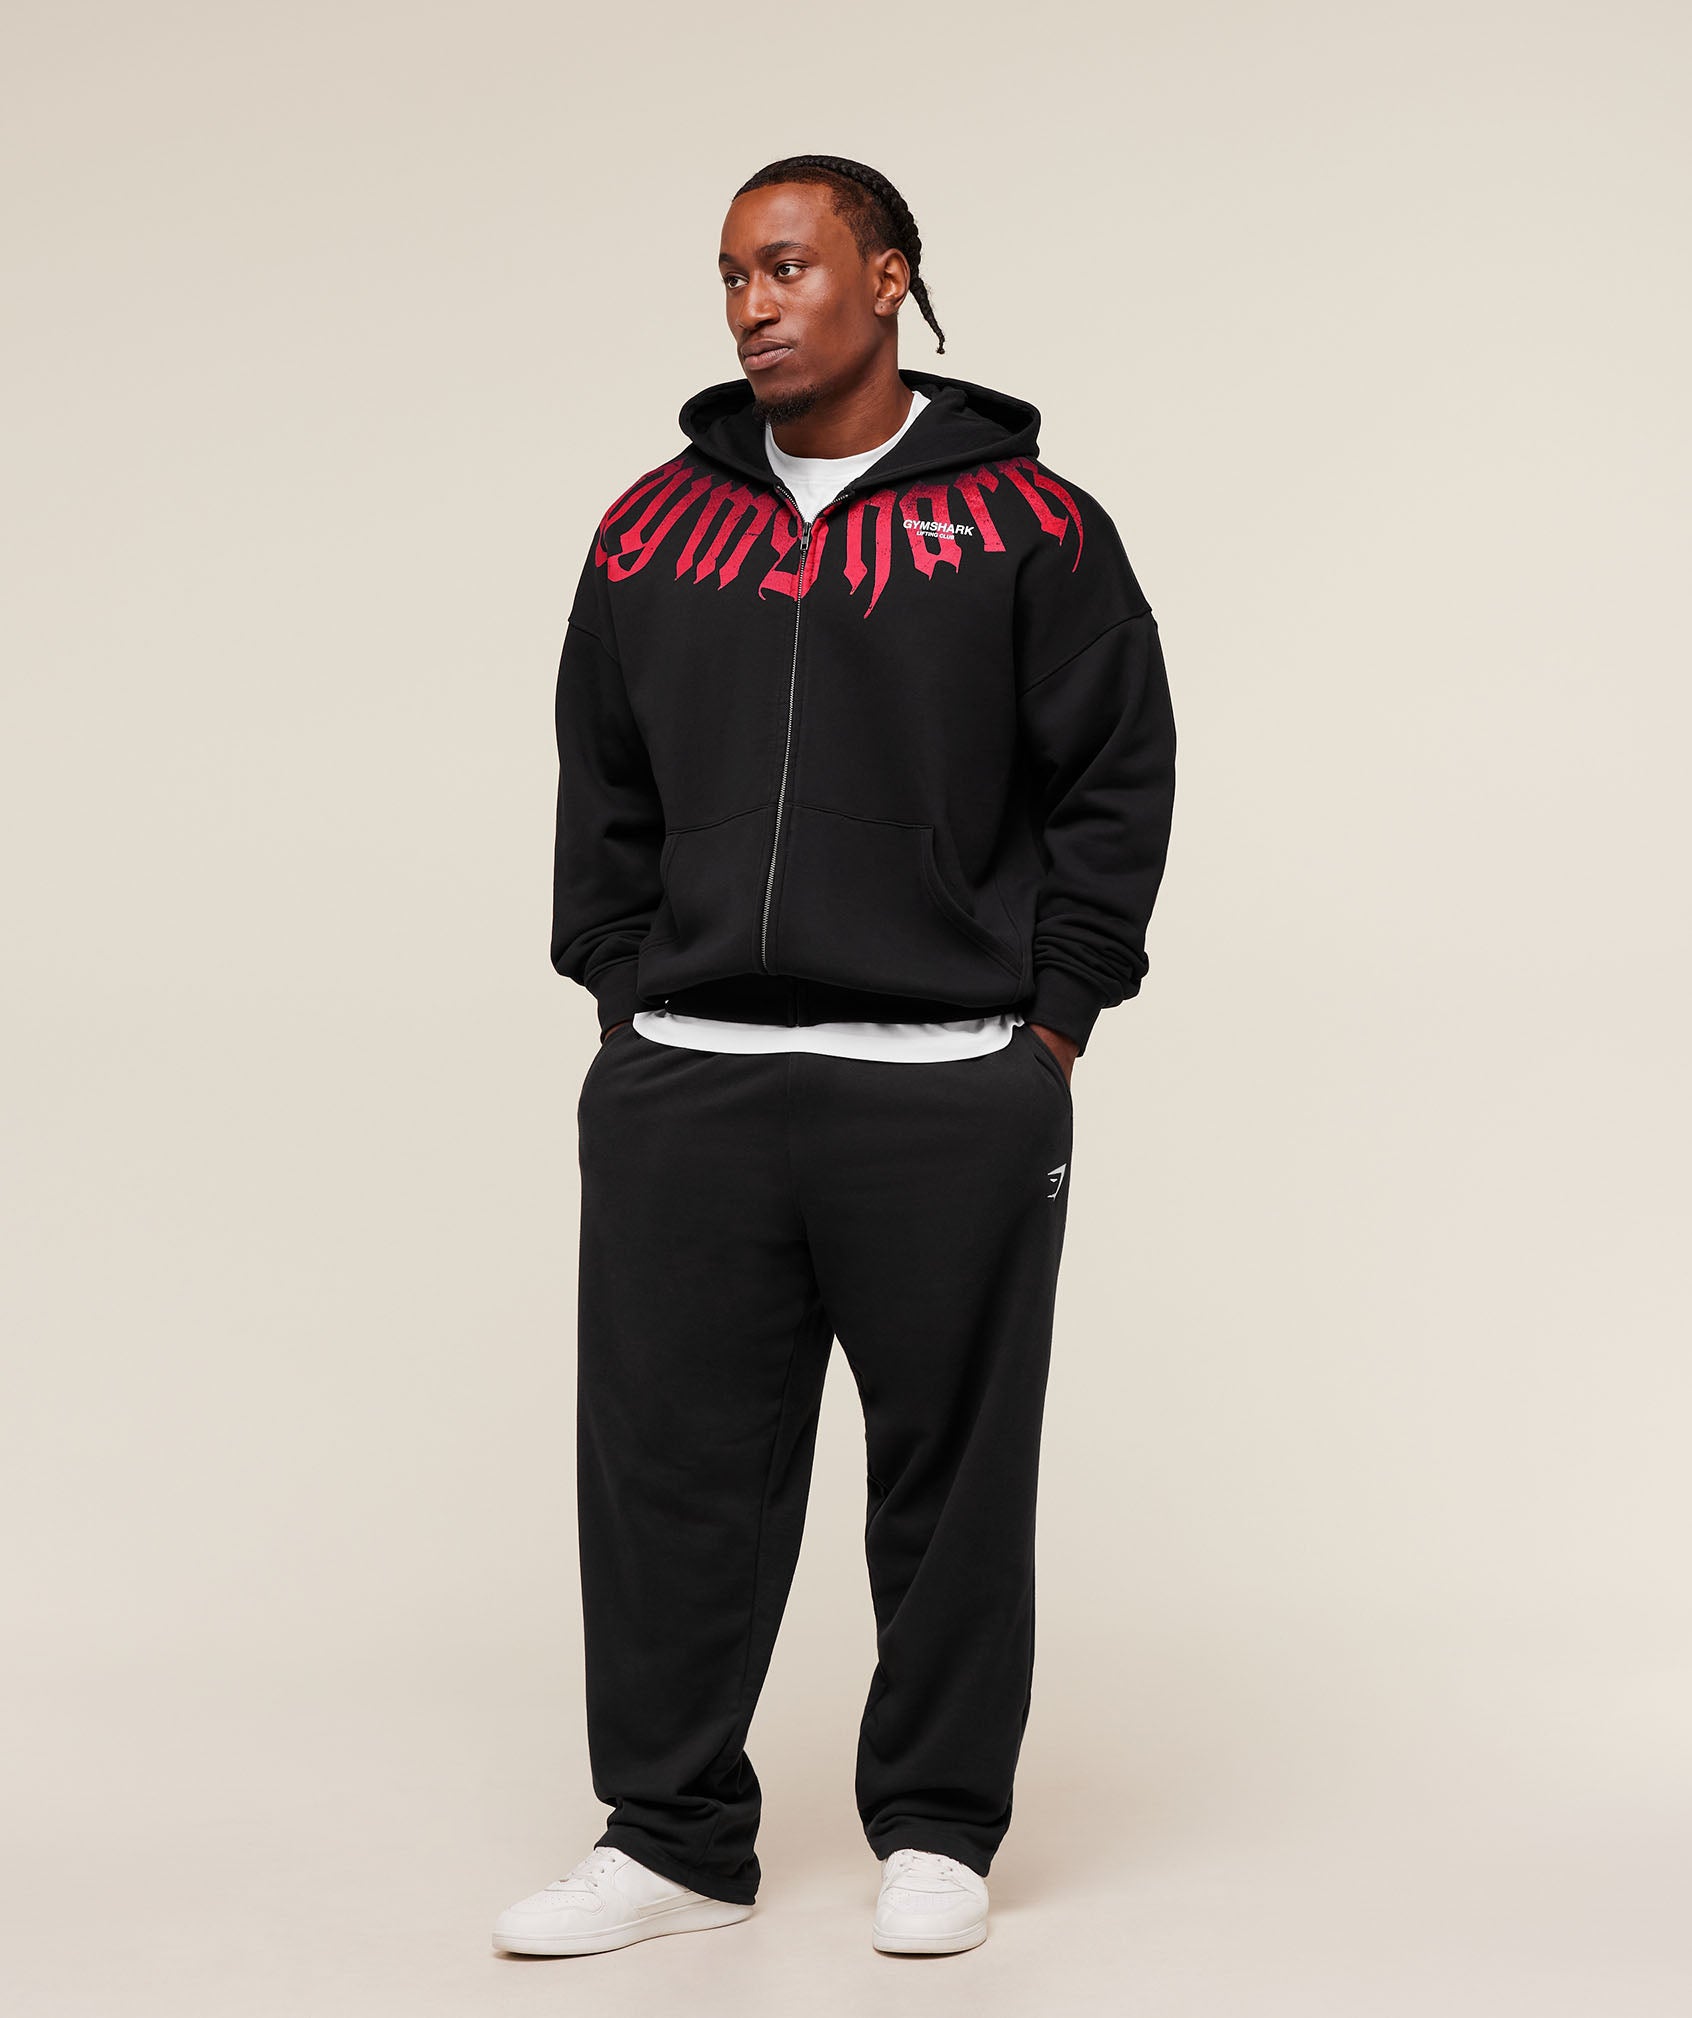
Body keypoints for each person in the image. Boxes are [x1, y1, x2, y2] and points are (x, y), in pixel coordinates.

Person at [494, 153, 1177, 1960]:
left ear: (888, 278)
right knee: (668, 1472)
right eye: (732, 274)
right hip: (690, 1074)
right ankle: (671, 1836)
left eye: (788, 266)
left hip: (947, 1078)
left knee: (952, 1475)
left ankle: (939, 1823)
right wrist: (623, 999)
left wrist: (1049, 1026)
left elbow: (1115, 781)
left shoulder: (1033, 525)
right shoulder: (653, 528)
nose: (753, 305)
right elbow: (600, 780)